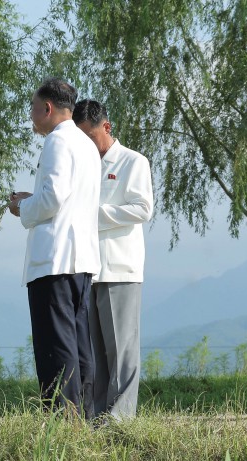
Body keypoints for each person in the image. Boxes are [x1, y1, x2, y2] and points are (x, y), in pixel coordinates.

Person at [7, 78, 101, 414]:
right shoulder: (87, 144)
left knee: (55, 346)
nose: (32, 117)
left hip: (56, 259)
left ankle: (63, 420)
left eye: (33, 109)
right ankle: (83, 416)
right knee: (77, 344)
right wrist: (37, 201)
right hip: (82, 257)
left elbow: (53, 198)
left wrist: (22, 208)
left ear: (47, 109)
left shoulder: (57, 142)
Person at [73, 99, 153, 420]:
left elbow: (142, 209)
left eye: (91, 138)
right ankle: (97, 417)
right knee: (95, 354)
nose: (87, 147)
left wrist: (91, 215)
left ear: (106, 127)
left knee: (121, 350)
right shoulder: (83, 167)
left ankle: (120, 419)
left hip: (120, 269)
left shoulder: (134, 162)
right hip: (89, 268)